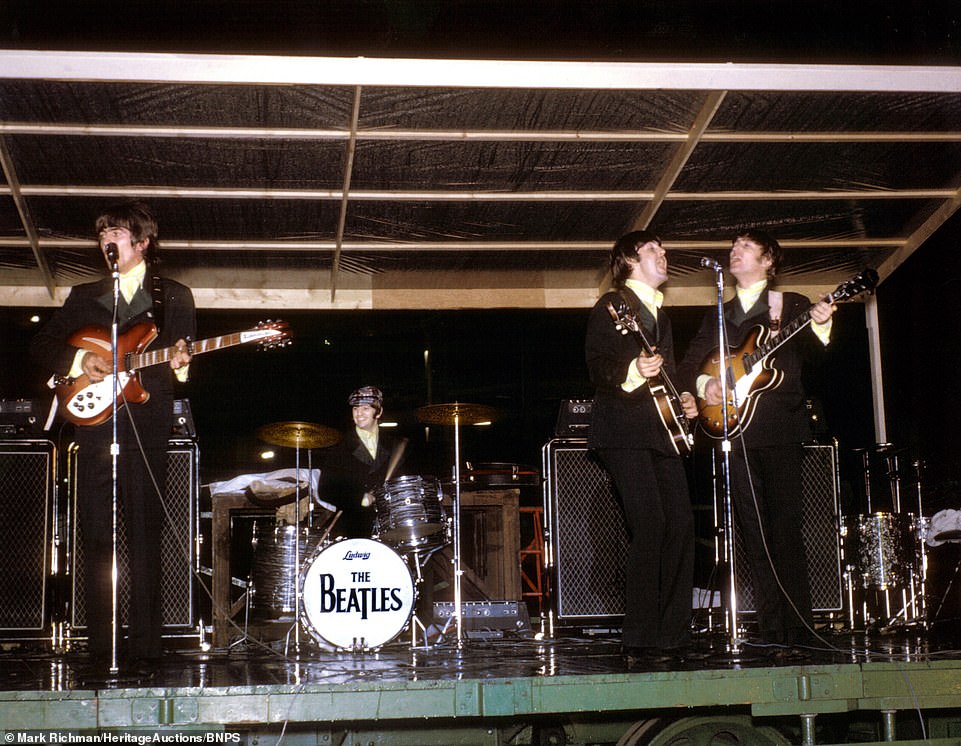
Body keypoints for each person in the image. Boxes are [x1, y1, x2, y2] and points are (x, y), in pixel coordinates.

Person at [30, 201, 195, 675]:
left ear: (141, 243)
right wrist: (81, 364)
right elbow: (43, 345)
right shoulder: (85, 295)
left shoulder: (174, 296)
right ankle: (100, 646)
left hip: (146, 423)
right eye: (103, 232)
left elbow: (182, 359)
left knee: (144, 533)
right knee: (96, 534)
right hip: (98, 426)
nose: (108, 239)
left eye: (118, 232)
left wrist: (182, 364)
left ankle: (146, 649)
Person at [678, 228, 836, 653]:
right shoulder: (719, 310)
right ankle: (771, 629)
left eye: (745, 247)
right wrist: (706, 382)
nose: (735, 252)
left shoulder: (792, 305)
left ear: (769, 261)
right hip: (733, 428)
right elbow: (691, 361)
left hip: (780, 428)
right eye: (733, 247)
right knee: (753, 532)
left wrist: (822, 327)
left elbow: (819, 359)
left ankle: (800, 626)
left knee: (785, 528)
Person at [584, 230, 698, 665]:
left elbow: (666, 380)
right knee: (651, 525)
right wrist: (633, 367)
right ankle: (639, 636)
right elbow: (598, 366)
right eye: (654, 250)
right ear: (630, 260)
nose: (664, 254)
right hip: (624, 433)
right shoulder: (611, 307)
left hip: (662, 434)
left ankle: (673, 635)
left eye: (664, 248)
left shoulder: (661, 318)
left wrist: (684, 397)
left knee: (681, 525)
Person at [320, 386, 408, 539]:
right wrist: (361, 498)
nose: (359, 414)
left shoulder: (394, 445)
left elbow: (402, 483)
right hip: (352, 527)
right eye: (355, 409)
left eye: (365, 408)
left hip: (390, 524)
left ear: (379, 412)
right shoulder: (340, 445)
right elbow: (326, 489)